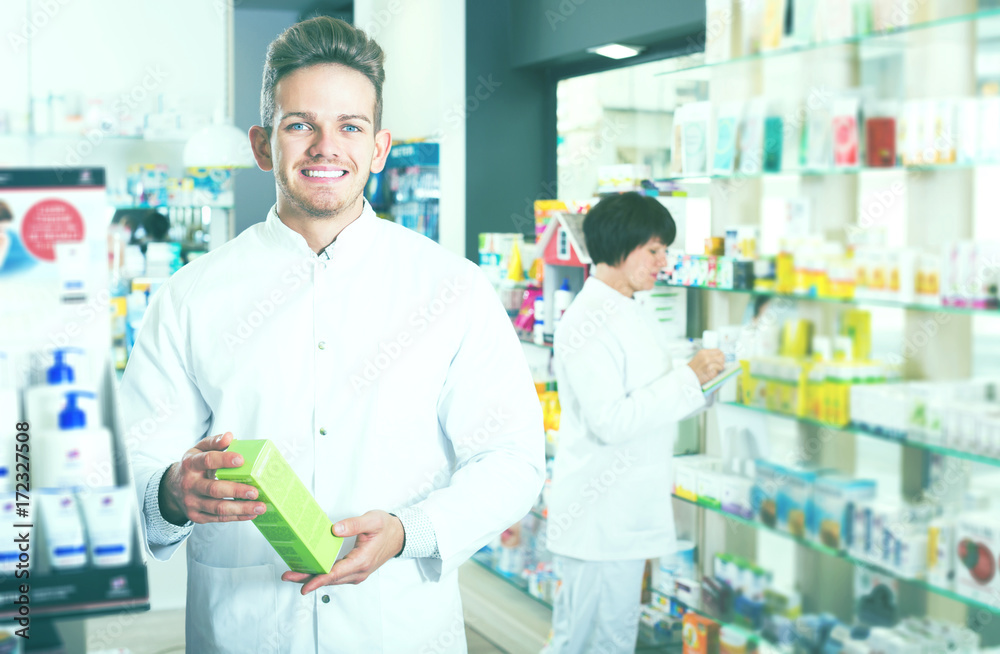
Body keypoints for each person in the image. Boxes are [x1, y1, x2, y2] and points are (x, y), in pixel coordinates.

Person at [120, 16, 544, 653]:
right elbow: (135, 461)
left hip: (400, 626)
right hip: (246, 630)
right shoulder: (190, 295)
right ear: (264, 146)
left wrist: (410, 531)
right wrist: (171, 493)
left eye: (350, 126)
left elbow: (512, 460)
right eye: (300, 125)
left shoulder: (451, 288)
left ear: (378, 147)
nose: (326, 147)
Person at [543, 192, 725, 654]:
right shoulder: (585, 322)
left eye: (664, 250)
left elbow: (653, 397)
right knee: (580, 641)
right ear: (620, 246)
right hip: (598, 514)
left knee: (614, 637)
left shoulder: (629, 308)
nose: (663, 261)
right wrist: (688, 378)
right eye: (654, 250)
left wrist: (700, 383)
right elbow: (612, 421)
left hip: (623, 510)